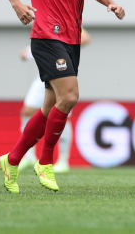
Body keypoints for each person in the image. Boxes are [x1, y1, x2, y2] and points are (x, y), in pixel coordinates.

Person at [0, 0, 125, 194]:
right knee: (69, 96)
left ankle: (12, 160)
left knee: (49, 107)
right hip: (46, 35)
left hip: (71, 37)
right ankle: (45, 161)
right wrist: (17, 5)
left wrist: (111, 3)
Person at [17, 28, 91, 173]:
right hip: (44, 75)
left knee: (62, 112)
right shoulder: (43, 22)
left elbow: (86, 37)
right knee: (27, 111)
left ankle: (63, 161)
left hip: (62, 74)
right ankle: (29, 156)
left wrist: (64, 46)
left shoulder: (68, 19)